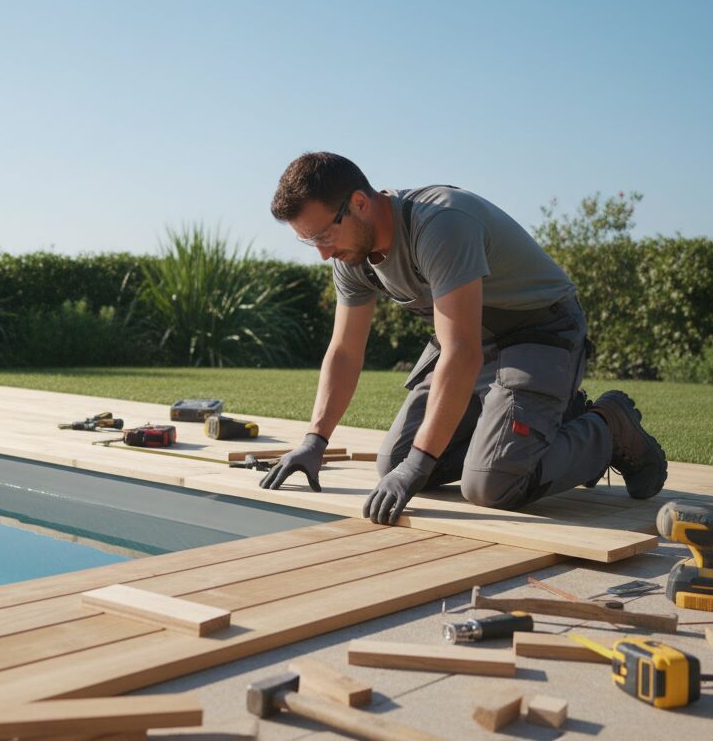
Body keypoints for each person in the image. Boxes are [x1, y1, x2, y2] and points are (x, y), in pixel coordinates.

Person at [259, 152, 667, 525]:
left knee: (490, 484)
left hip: (538, 332)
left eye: (323, 237)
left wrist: (421, 464)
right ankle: (535, 420)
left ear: (359, 204)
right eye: (309, 241)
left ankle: (608, 425)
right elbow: (345, 351)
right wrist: (315, 441)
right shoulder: (353, 255)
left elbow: (462, 351)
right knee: (394, 463)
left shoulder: (440, 224)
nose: (323, 254)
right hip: (472, 342)